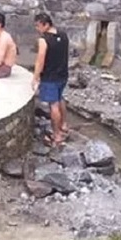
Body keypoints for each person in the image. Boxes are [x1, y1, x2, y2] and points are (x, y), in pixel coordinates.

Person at [33, 13, 70, 147]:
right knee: (60, 99)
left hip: (50, 77)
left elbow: (40, 60)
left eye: (38, 26)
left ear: (46, 24)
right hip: (63, 74)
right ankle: (64, 125)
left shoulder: (44, 40)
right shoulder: (63, 34)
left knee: (53, 105)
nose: (37, 29)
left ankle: (57, 135)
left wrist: (35, 77)